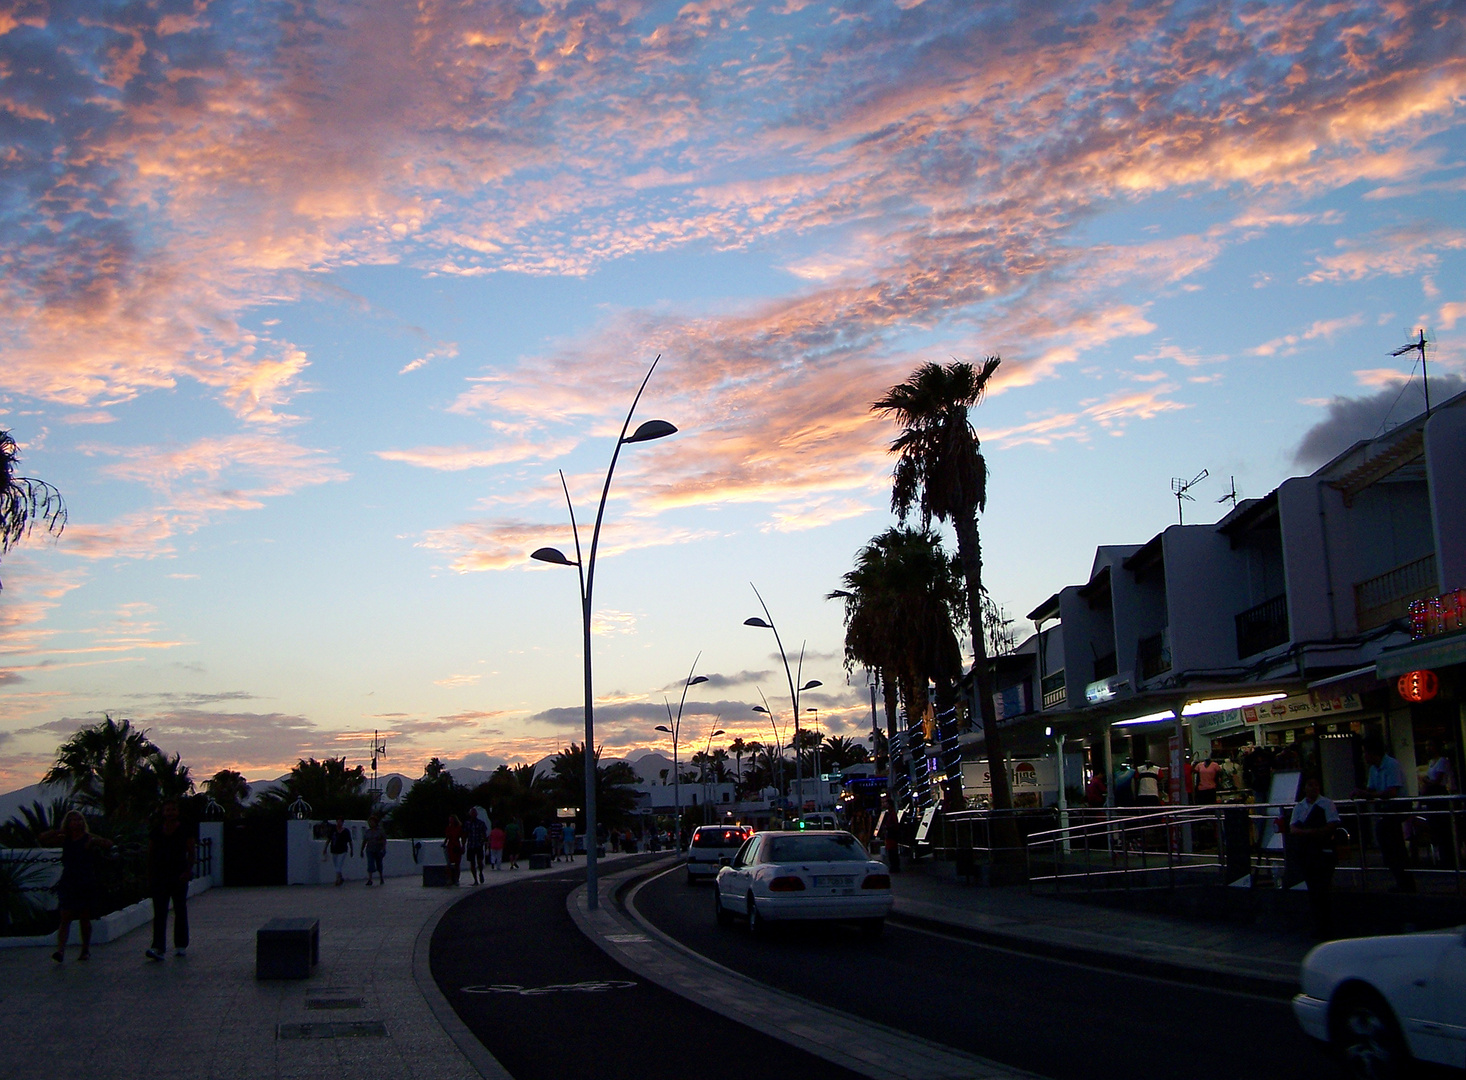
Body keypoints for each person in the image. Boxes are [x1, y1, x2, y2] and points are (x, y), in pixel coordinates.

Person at [39, 810, 112, 963]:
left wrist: (95, 843)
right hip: (69, 880)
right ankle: (60, 950)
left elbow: (108, 843)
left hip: (85, 880)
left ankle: (85, 950)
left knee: (84, 917)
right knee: (65, 916)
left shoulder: (88, 838)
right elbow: (43, 838)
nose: (76, 823)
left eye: (79, 820)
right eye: (72, 820)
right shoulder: (65, 839)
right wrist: (60, 831)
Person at [1353, 734, 1415, 892]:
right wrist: (1362, 793)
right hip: (1387, 808)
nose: (1363, 756)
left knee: (1387, 834)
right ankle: (1402, 879)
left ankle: (1404, 879)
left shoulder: (1391, 765)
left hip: (1398, 806)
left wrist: (1369, 795)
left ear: (1373, 752)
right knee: (1392, 841)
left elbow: (1391, 791)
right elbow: (1372, 788)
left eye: (1365, 752)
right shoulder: (1374, 769)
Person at [1290, 776, 1340, 937]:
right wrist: (1311, 832)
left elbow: (1332, 825)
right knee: (1313, 888)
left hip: (1322, 851)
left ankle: (1327, 925)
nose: (1314, 788)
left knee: (1323, 887)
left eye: (1316, 785)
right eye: (1310, 785)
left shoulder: (1326, 803)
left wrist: (1311, 832)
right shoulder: (1300, 807)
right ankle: (1319, 924)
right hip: (1307, 853)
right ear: (1304, 788)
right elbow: (1293, 828)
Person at [146, 799, 196, 961]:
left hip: (179, 875)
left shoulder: (185, 830)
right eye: (167, 810)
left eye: (173, 809)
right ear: (163, 812)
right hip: (160, 876)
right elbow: (151, 852)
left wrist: (188, 871)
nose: (170, 813)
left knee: (180, 909)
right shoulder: (156, 830)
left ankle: (181, 944)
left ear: (177, 812)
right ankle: (158, 946)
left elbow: (191, 851)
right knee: (159, 912)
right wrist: (150, 874)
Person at [322, 817, 354, 886]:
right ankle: (340, 877)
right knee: (336, 865)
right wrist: (325, 848)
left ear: (342, 822)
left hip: (343, 850)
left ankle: (337, 880)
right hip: (334, 850)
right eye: (338, 821)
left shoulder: (346, 831)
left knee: (339, 865)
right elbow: (329, 839)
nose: (339, 823)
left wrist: (351, 850)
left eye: (340, 822)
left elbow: (350, 841)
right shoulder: (333, 830)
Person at [463, 807, 488, 885]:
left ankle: (480, 872)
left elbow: (484, 834)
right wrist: (463, 845)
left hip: (478, 844)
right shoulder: (467, 824)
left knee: (479, 861)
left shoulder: (480, 823)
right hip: (471, 845)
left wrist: (484, 841)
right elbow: (465, 835)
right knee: (472, 862)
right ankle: (475, 880)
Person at [362, 814, 387, 886]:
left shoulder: (380, 831)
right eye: (370, 822)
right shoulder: (368, 832)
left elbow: (384, 840)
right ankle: (370, 879)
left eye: (372, 822)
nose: (371, 823)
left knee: (379, 864)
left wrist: (383, 848)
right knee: (370, 863)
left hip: (378, 849)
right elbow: (365, 841)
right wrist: (362, 850)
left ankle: (381, 877)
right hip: (370, 849)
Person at [444, 814, 463, 885]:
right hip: (450, 847)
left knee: (457, 864)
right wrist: (444, 843)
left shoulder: (458, 828)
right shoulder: (449, 828)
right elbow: (447, 837)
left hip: (456, 846)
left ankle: (457, 879)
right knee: (449, 864)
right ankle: (450, 879)